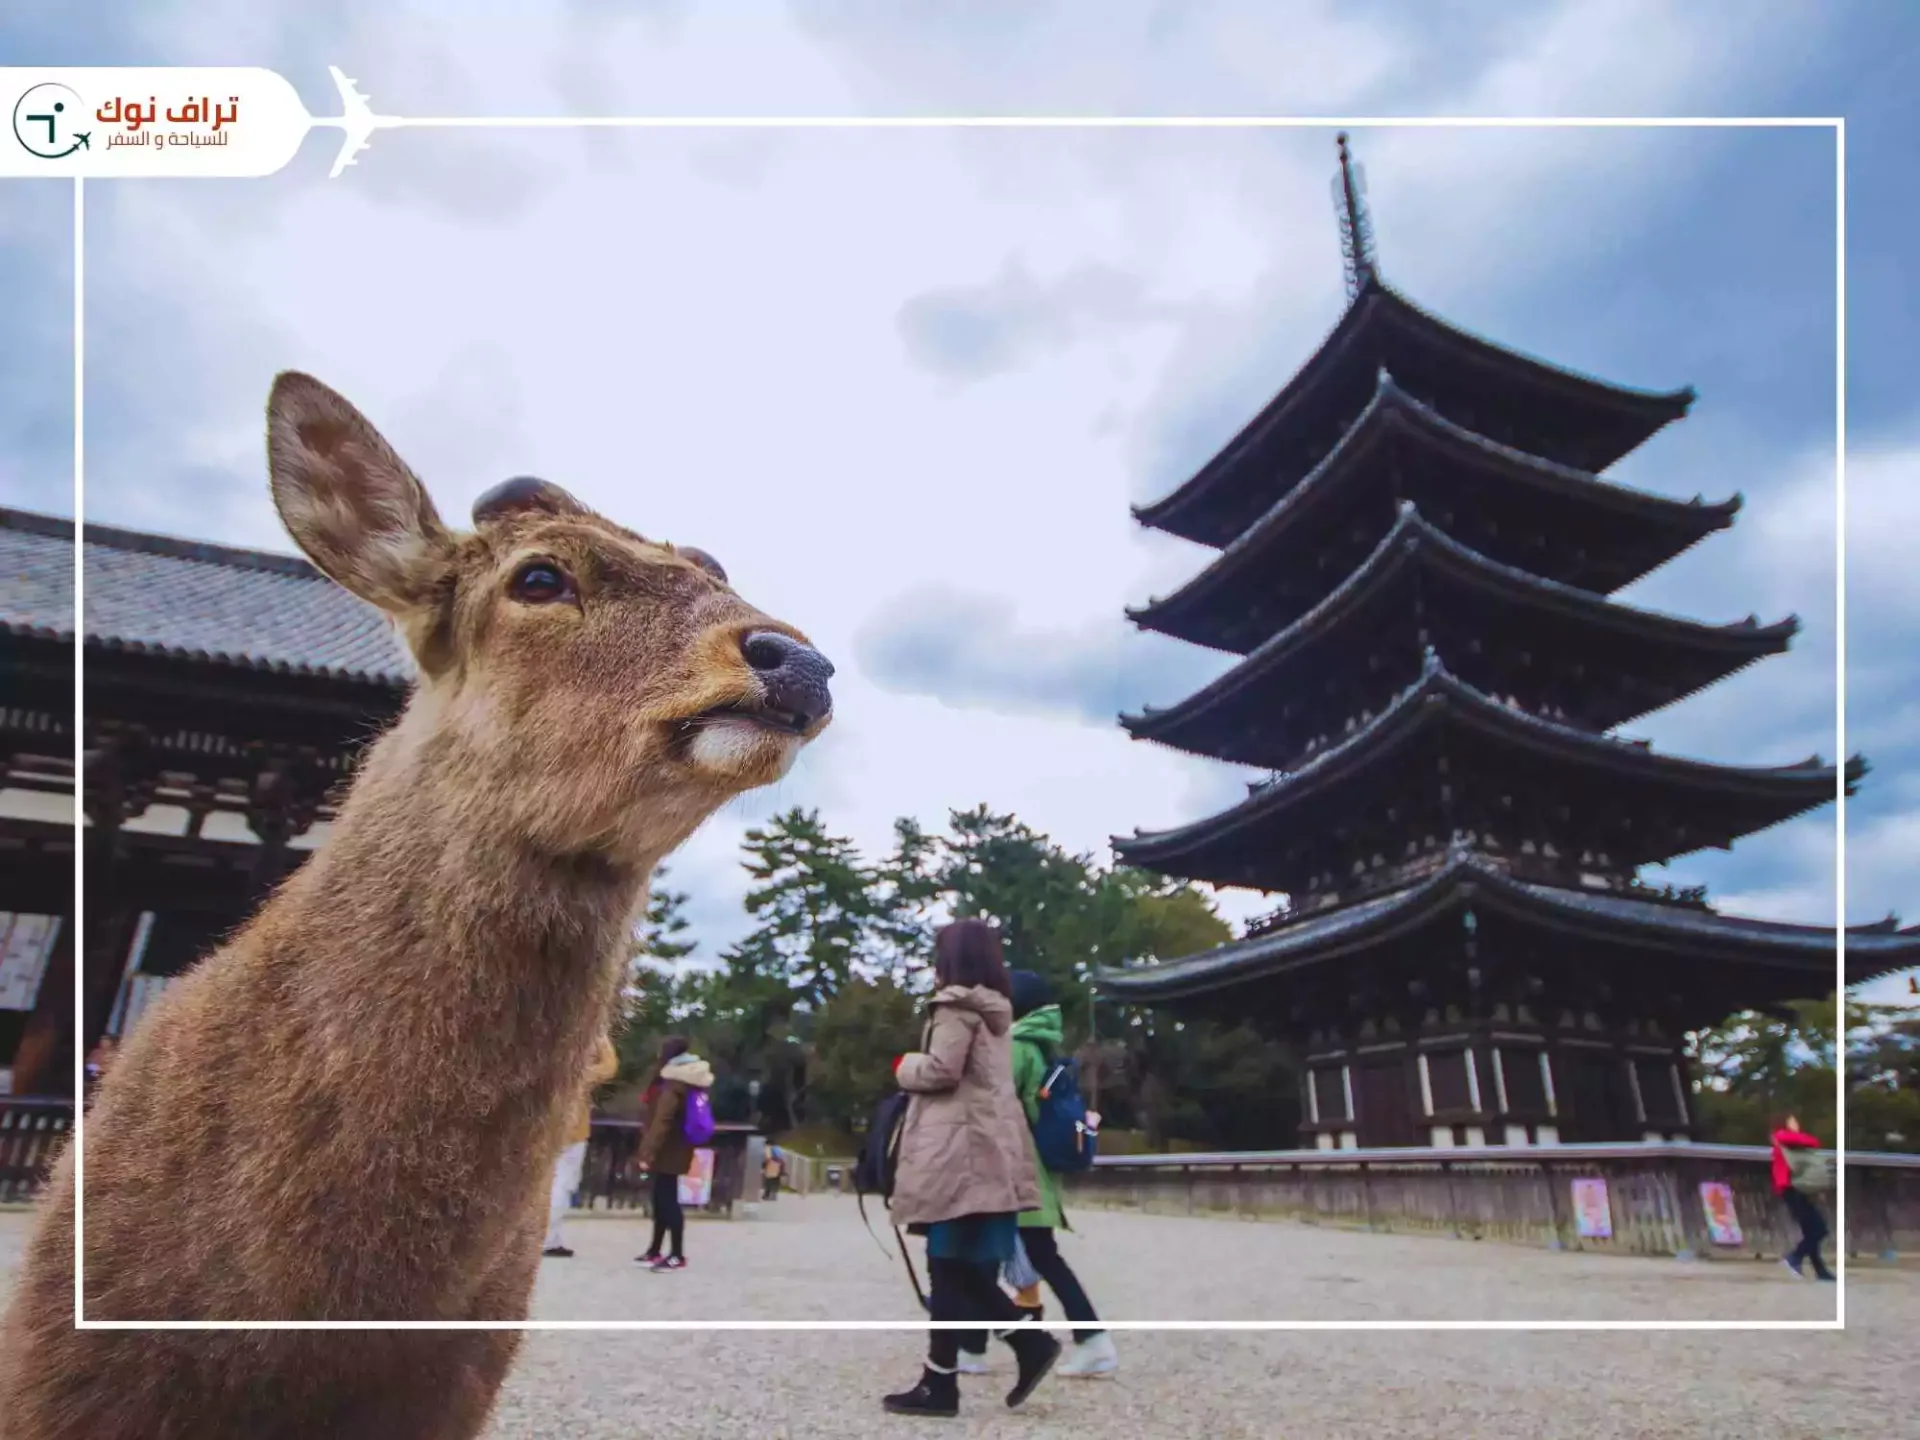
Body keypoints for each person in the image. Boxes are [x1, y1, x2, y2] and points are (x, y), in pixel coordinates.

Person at [882, 919, 1061, 1418]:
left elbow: (941, 1071)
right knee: (958, 1267)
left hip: (957, 1151)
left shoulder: (957, 1008)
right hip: (986, 1149)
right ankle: (1008, 1353)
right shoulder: (995, 1010)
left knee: (949, 1267)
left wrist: (903, 1066)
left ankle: (948, 1383)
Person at [635, 1036, 714, 1272]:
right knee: (662, 1197)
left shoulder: (673, 1083)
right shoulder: (691, 1081)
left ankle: (676, 1253)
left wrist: (647, 1151)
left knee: (667, 1200)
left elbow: (662, 1120)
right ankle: (656, 1248)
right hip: (679, 1146)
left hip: (667, 1148)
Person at [543, 1030, 619, 1258]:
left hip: (543, 1125)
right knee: (562, 1184)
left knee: (545, 1184)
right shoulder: (581, 1051)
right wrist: (601, 1038)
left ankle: (548, 1238)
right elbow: (610, 1066)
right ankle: (547, 1239)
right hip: (572, 1128)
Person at [1771, 1113, 1835, 1281]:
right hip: (1791, 1189)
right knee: (1819, 1229)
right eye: (1792, 1120)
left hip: (1798, 1188)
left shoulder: (1789, 1142)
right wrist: (1796, 1133)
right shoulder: (1782, 1137)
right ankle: (1794, 1257)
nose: (1796, 1123)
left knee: (1811, 1230)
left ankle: (1820, 1270)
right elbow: (1812, 1141)